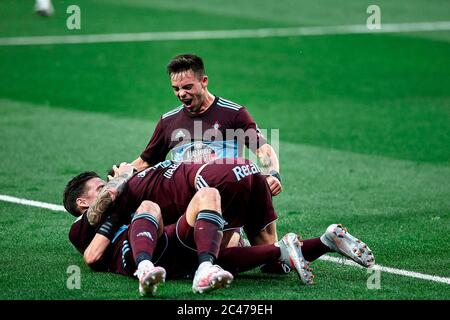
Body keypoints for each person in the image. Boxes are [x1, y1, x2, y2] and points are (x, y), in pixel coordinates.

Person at [63, 167, 375, 295]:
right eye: (98, 187)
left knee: (209, 195)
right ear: (82, 201)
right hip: (139, 256)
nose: (108, 187)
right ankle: (146, 270)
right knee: (148, 207)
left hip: (172, 250)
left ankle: (325, 240)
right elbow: (93, 256)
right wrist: (124, 177)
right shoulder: (79, 230)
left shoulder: (119, 209)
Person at [130, 54, 282, 197]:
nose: (181, 94)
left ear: (204, 81)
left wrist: (273, 174)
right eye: (176, 89)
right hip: (185, 199)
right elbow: (146, 162)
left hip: (226, 195)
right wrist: (121, 176)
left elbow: (262, 149)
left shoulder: (233, 113)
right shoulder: (168, 121)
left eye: (187, 87)